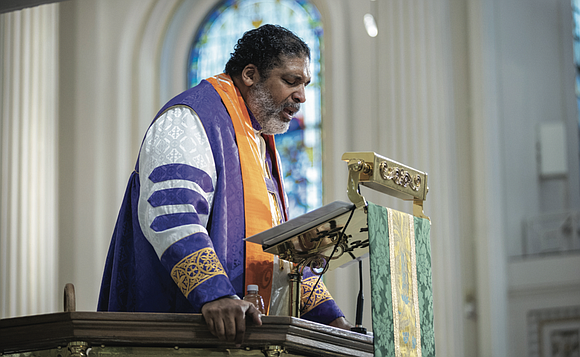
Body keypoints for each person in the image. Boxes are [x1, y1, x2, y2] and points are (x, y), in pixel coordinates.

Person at [97, 24, 352, 345]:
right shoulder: (189, 117)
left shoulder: (258, 139)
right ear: (250, 74)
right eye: (291, 81)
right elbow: (172, 213)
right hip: (183, 330)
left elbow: (277, 249)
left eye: (305, 84)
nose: (301, 96)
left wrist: (330, 317)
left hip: (248, 332)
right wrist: (214, 294)